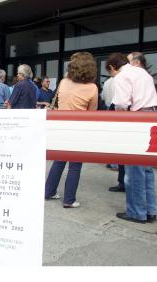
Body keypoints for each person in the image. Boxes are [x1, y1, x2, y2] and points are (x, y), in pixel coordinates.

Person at [107, 52, 157, 224]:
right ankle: (151, 210)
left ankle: (137, 212)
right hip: (151, 118)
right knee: (147, 169)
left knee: (134, 170)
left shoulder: (122, 77)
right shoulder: (142, 72)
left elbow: (121, 104)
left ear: (113, 68)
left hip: (135, 119)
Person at [45, 52, 98, 208]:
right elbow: (92, 113)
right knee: (75, 165)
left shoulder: (63, 82)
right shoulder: (92, 88)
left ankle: (48, 192)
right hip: (79, 129)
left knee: (59, 161)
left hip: (61, 127)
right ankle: (69, 200)